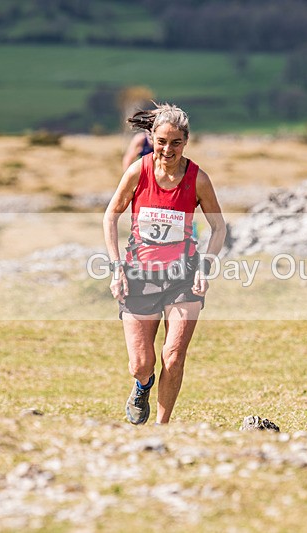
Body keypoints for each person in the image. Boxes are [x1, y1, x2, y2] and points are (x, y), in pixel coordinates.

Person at [103, 102, 226, 425]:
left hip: (183, 276)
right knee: (141, 364)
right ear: (151, 139)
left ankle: (162, 426)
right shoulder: (138, 171)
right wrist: (116, 268)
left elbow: (219, 227)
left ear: (186, 141)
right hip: (139, 274)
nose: (168, 149)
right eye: (161, 141)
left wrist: (205, 267)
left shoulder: (198, 179)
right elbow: (110, 216)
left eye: (176, 142)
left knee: (173, 355)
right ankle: (142, 385)